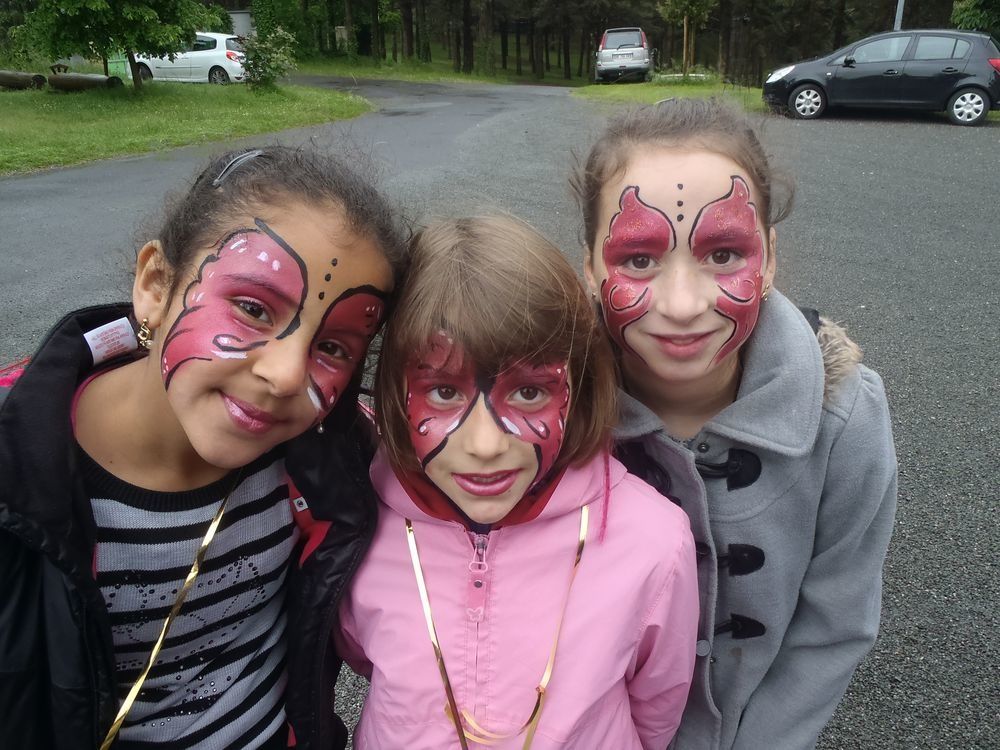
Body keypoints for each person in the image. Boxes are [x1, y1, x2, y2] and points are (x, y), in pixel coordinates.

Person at [0, 145, 407, 750]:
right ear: (155, 285)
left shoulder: (326, 463)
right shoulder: (16, 480)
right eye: (252, 308)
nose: (286, 375)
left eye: (333, 348)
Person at [572, 98, 898, 750]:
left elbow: (834, 626)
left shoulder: (846, 418)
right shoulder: (548, 415)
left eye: (723, 253)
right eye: (638, 259)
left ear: (769, 257)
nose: (683, 304)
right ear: (591, 267)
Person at [335, 216, 700, 749]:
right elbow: (362, 654)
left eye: (530, 393)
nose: (485, 445)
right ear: (394, 390)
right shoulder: (357, 523)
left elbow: (658, 703)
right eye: (442, 392)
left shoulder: (653, 542)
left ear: (578, 387)